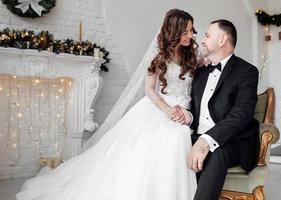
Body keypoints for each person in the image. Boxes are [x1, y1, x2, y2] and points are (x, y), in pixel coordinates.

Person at [16, 9, 199, 200]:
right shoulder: (159, 55)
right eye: (185, 31)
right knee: (164, 139)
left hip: (184, 109)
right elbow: (150, 90)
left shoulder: (192, 54)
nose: (190, 35)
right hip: (160, 108)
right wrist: (168, 110)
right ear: (174, 32)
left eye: (191, 30)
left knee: (176, 136)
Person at [181, 19, 260, 200]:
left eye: (208, 35)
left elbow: (241, 114)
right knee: (170, 147)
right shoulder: (200, 71)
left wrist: (206, 141)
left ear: (222, 39)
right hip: (196, 135)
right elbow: (196, 111)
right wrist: (187, 115)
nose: (202, 40)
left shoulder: (247, 72)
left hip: (232, 142)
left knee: (216, 153)